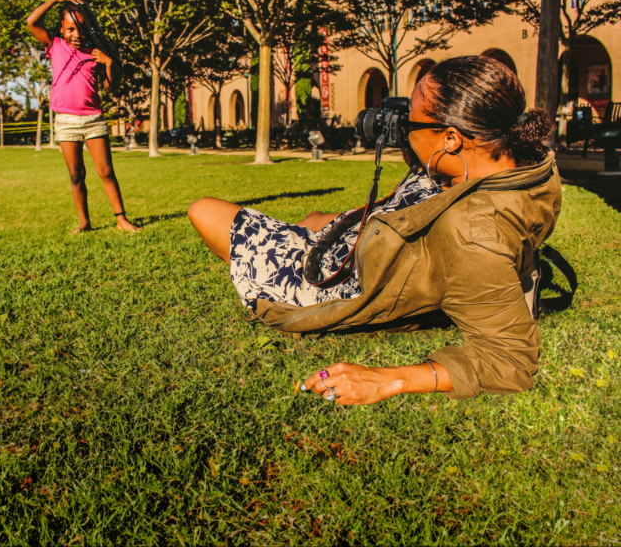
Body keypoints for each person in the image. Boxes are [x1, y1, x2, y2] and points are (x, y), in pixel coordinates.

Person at [189, 56, 558, 405]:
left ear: (451, 138)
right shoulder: (516, 162)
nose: (402, 127)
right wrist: (417, 141)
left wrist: (387, 379)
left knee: (205, 211)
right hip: (372, 240)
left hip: (337, 284)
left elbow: (510, 360)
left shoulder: (475, 235)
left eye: (411, 123)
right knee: (313, 218)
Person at [26, 0, 140, 234]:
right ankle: (84, 223)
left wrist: (108, 63)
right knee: (76, 175)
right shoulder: (55, 45)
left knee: (106, 171)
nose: (76, 34)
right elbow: (31, 21)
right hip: (66, 121)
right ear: (61, 29)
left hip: (93, 119)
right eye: (70, 29)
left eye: (81, 28)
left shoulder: (95, 52)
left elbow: (110, 88)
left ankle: (121, 219)